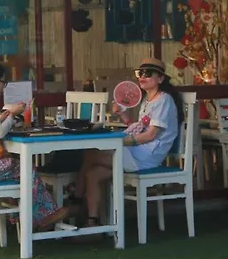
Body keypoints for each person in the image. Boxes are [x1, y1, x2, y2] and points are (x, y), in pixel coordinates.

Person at [69, 58, 183, 230]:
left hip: (146, 157)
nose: (142, 77)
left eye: (148, 73)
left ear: (160, 78)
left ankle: (75, 202)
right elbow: (139, 128)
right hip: (136, 152)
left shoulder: (164, 100)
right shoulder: (147, 100)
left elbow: (151, 135)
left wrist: (121, 141)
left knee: (91, 154)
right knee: (92, 174)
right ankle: (92, 223)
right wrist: (122, 115)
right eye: (139, 73)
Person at [0, 61, 69, 231]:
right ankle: (43, 215)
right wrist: (13, 114)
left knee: (16, 167)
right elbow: (0, 132)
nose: (4, 88)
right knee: (26, 169)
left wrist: (5, 117)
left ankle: (23, 215)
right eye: (3, 83)